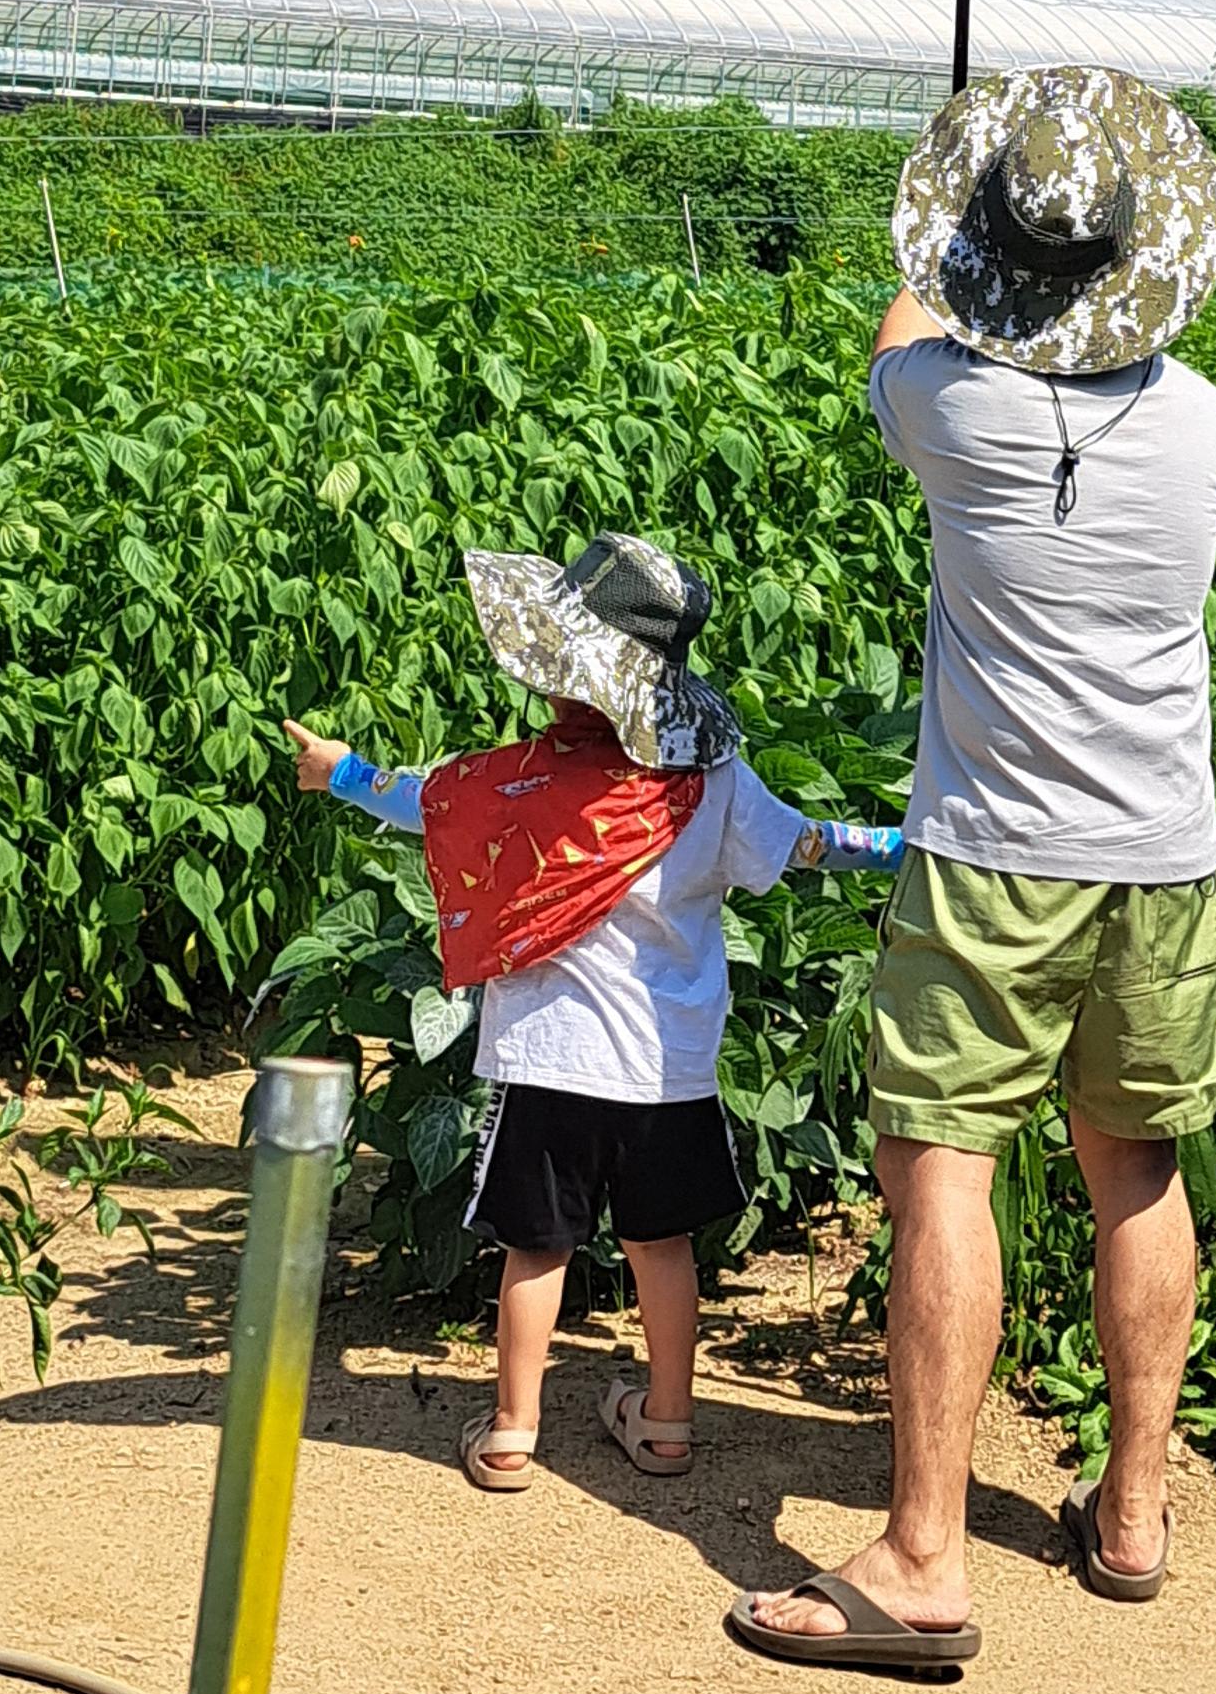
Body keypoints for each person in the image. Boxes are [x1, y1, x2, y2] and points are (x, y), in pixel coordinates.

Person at [729, 64, 1216, 1675]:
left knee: (943, 1173)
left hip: (996, 854)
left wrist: (949, 236)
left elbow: (903, 329)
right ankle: (1133, 1511)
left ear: (996, 263)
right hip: (1163, 855)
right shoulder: (1202, 423)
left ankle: (923, 1558)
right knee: (1134, 1170)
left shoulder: (950, 408)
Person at [287, 527, 899, 1494]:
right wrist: (910, 844)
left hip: (549, 1060)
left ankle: (511, 1432)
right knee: (663, 1246)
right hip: (668, 1068)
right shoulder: (714, 784)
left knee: (536, 1248)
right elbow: (811, 846)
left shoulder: (519, 782)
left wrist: (342, 771)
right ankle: (668, 1424)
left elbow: (426, 801)